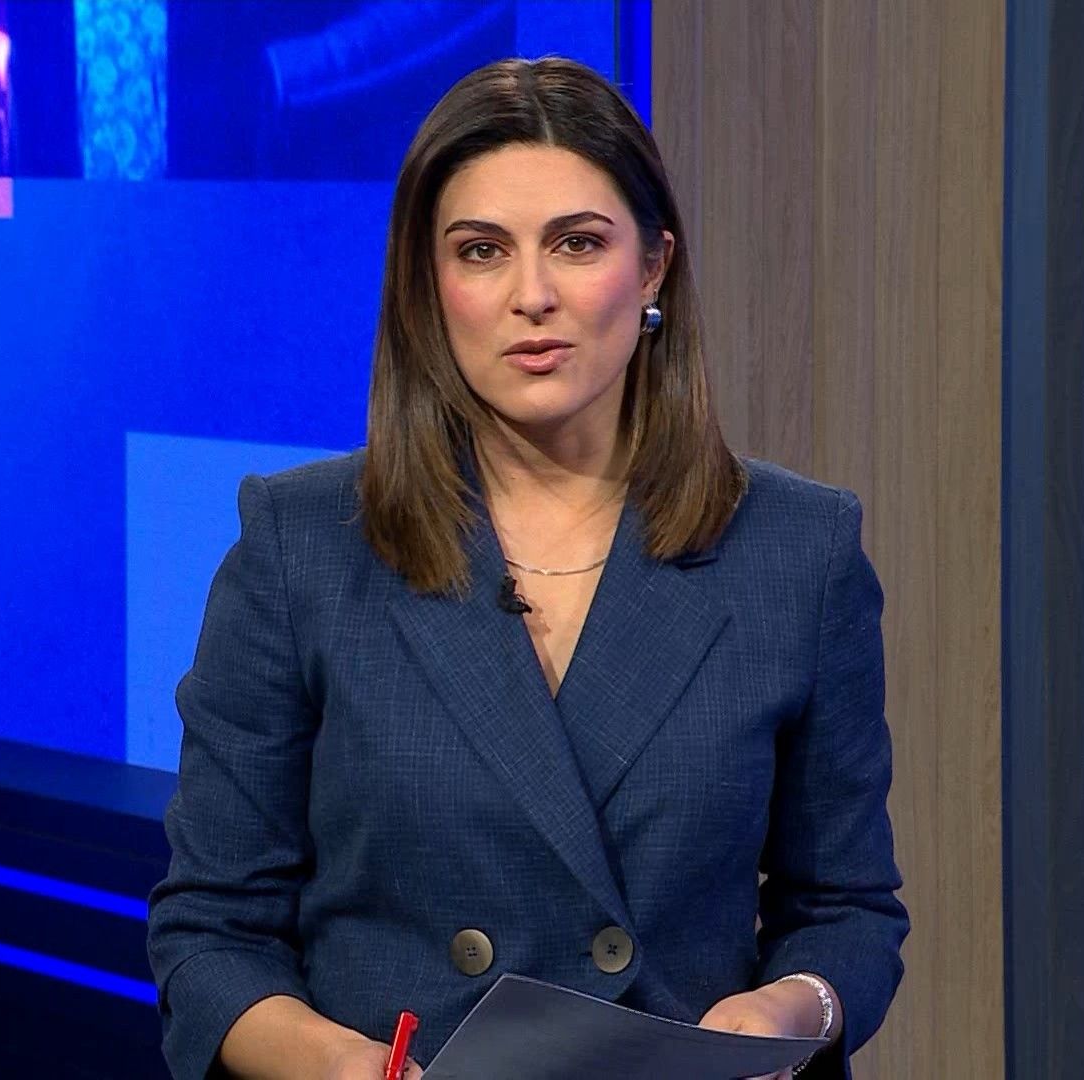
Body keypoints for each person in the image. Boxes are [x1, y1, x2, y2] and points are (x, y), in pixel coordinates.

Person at [146, 56, 908, 1080]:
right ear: (429, 285)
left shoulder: (797, 550)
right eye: (481, 251)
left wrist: (788, 1009)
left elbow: (847, 912)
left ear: (653, 269)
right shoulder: (302, 545)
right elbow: (210, 935)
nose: (532, 296)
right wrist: (339, 1066)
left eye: (578, 244)